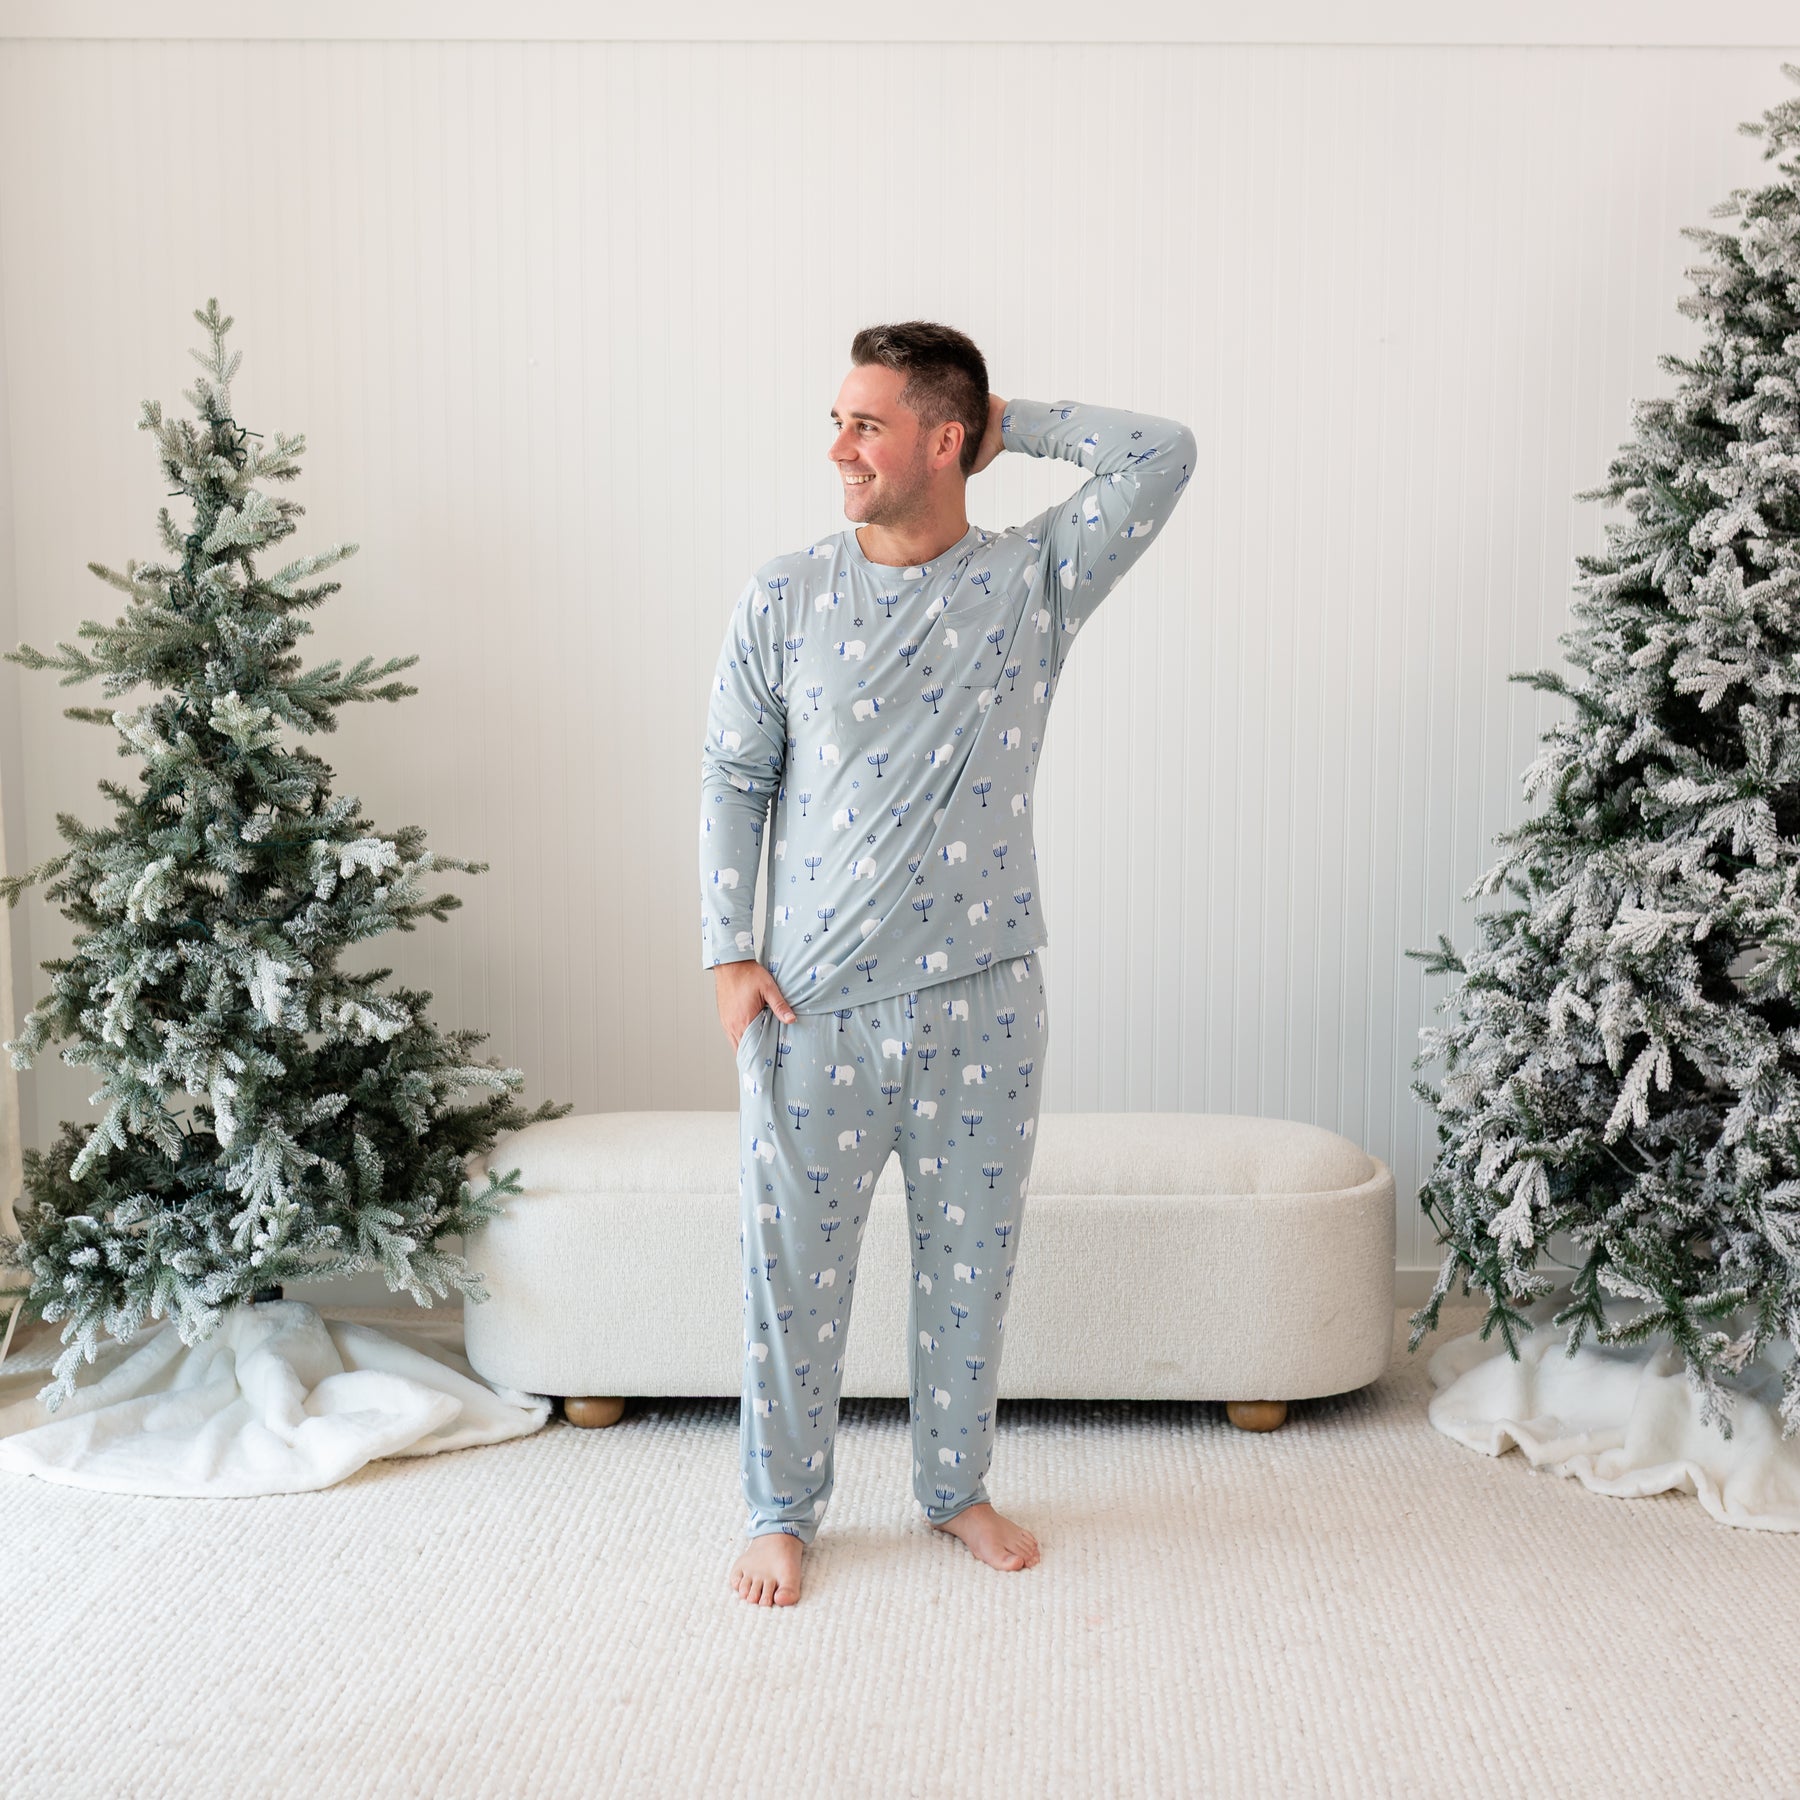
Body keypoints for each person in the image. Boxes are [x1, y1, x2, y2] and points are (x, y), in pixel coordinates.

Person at [700, 320, 1195, 1605]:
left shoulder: (1033, 582)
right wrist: (727, 954)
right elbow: (735, 772)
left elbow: (1161, 455)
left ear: (942, 440)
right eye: (839, 419)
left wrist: (1007, 413)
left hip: (987, 997)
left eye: (866, 423)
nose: (839, 447)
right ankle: (780, 1507)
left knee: (971, 1263)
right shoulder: (786, 592)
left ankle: (955, 1487)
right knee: (792, 1276)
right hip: (811, 1005)